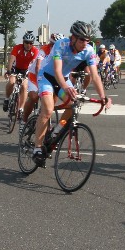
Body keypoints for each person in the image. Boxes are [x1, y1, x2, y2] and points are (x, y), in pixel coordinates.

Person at [30, 22, 111, 166]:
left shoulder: (88, 50)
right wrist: (66, 88)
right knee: (48, 110)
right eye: (81, 40)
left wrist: (103, 97)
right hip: (47, 77)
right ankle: (37, 148)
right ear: (73, 38)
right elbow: (57, 71)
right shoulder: (61, 45)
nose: (85, 43)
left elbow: (95, 75)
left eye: (87, 40)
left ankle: (57, 130)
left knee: (74, 104)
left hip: (64, 78)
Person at [5, 31, 41, 114]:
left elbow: (33, 62)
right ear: (23, 42)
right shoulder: (17, 48)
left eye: (31, 43)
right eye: (27, 42)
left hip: (26, 70)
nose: (28, 45)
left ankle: (21, 108)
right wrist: (8, 70)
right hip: (16, 68)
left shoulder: (35, 50)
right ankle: (7, 98)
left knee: (25, 86)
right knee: (11, 82)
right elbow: (11, 59)